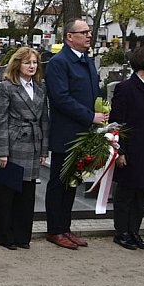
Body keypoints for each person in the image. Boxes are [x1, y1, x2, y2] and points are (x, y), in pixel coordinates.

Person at [43, 18, 105, 250]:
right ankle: (54, 230)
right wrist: (90, 116)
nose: (89, 35)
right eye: (84, 32)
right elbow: (61, 98)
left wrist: (100, 111)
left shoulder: (86, 60)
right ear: (70, 37)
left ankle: (65, 228)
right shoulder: (59, 63)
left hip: (84, 133)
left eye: (89, 32)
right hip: (66, 133)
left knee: (73, 182)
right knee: (59, 182)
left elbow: (93, 92)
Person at [109, 47, 144, 250]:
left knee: (143, 193)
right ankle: (121, 232)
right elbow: (117, 121)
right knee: (126, 193)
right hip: (132, 149)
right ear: (143, 63)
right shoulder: (125, 88)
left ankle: (134, 230)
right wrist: (120, 151)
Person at [0, 47, 48, 250]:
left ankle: (22, 236)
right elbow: (0, 121)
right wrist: (2, 151)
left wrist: (44, 150)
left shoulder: (40, 87)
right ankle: (4, 236)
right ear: (17, 64)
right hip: (14, 142)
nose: (32, 66)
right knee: (8, 193)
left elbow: (44, 120)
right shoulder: (7, 87)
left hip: (33, 143)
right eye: (27, 62)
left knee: (27, 193)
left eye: (34, 62)